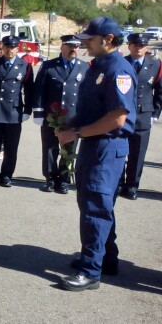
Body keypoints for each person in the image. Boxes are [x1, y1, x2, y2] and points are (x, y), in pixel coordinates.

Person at [57, 16, 136, 292]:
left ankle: (90, 271)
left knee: (95, 208)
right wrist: (70, 124)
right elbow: (92, 108)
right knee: (97, 205)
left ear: (108, 40)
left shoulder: (118, 70)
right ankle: (106, 259)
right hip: (94, 143)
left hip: (106, 146)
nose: (84, 44)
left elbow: (116, 119)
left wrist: (76, 134)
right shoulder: (98, 66)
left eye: (89, 40)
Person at [32, 35, 88, 194]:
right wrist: (38, 112)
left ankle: (64, 180)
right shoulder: (49, 66)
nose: (74, 49)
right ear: (62, 46)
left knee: (68, 150)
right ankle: (50, 179)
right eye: (70, 46)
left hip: (73, 118)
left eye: (76, 46)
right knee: (50, 148)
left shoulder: (84, 67)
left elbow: (87, 95)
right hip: (52, 116)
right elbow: (39, 90)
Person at [0, 35, 35, 187]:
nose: (10, 50)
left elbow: (29, 90)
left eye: (13, 47)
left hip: (14, 112)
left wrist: (27, 110)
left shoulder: (25, 66)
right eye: (7, 47)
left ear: (18, 48)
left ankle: (7, 175)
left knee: (11, 147)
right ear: (2, 47)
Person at [118, 32, 162, 200]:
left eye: (142, 45)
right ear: (129, 46)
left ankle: (131, 186)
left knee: (138, 154)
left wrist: (155, 112)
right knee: (120, 151)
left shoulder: (156, 65)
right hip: (122, 115)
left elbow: (160, 90)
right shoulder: (121, 63)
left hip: (144, 115)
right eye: (136, 45)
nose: (139, 48)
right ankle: (118, 183)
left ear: (147, 47)